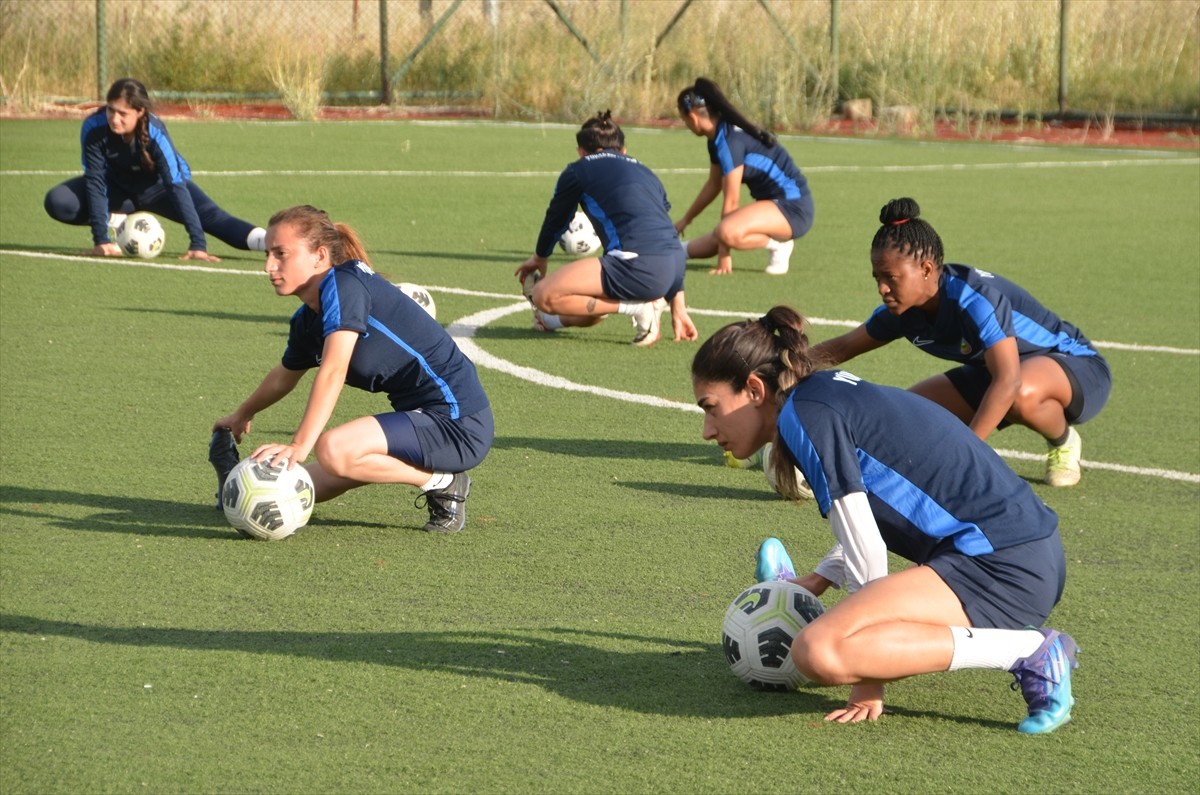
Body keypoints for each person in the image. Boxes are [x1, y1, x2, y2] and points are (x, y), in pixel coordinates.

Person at [692, 305, 1078, 734]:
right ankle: (796, 598)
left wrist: (865, 674)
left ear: (753, 389)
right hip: (1019, 554)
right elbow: (883, 508)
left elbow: (868, 549)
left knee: (822, 652)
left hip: (1004, 567)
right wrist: (821, 578)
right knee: (836, 638)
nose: (708, 429)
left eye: (711, 407)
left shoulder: (806, 416)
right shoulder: (818, 397)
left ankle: (1026, 651)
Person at [211, 205, 493, 533]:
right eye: (268, 254)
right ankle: (233, 480)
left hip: (459, 422)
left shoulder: (345, 285)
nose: (269, 266)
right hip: (421, 422)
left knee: (332, 449)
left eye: (281, 254)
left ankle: (443, 482)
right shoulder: (307, 320)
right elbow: (283, 377)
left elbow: (333, 370)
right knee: (293, 487)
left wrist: (300, 444)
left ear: (319, 256)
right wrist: (241, 415)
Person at [812, 197, 1111, 487]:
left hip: (1077, 369)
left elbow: (1008, 382)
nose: (882, 288)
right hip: (997, 371)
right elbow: (840, 348)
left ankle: (1063, 440)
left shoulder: (974, 298)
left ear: (926, 269)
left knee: (1018, 394)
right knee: (907, 414)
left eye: (890, 277)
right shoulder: (900, 310)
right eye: (877, 277)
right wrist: (780, 366)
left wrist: (965, 454)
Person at [514, 110, 697, 347]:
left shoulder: (578, 170)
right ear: (624, 150)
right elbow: (666, 236)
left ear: (581, 152)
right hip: (673, 266)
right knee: (589, 308)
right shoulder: (646, 172)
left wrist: (540, 256)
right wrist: (678, 305)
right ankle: (548, 321)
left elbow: (557, 219)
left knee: (543, 295)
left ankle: (640, 308)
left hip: (638, 266)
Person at [44, 77, 266, 262]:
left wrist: (198, 243)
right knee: (59, 201)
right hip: (118, 191)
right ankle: (114, 217)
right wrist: (101, 241)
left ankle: (273, 242)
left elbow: (175, 184)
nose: (114, 118)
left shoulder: (155, 131)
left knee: (215, 219)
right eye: (111, 110)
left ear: (140, 111)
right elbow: (95, 181)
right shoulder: (94, 126)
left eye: (123, 113)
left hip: (160, 190)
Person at [673, 77, 814, 276]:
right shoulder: (717, 137)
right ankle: (675, 252)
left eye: (684, 119)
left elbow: (731, 199)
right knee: (722, 233)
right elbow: (714, 185)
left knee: (726, 232)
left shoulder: (730, 142)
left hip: (793, 208)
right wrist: (686, 220)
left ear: (693, 117)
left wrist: (724, 254)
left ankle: (779, 245)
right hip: (775, 206)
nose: (686, 125)